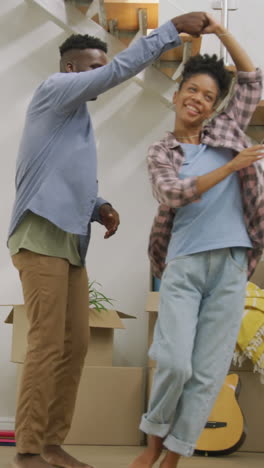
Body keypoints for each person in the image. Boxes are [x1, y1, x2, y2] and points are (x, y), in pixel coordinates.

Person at [7, 11, 211, 468]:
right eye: (94, 65)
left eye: (105, 63)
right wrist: (167, 29)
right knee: (46, 342)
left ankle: (51, 444)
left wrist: (99, 205)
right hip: (40, 237)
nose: (104, 72)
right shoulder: (53, 92)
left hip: (70, 241)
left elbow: (65, 174)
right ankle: (27, 450)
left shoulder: (74, 117)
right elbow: (121, 70)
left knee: (75, 343)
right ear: (71, 70)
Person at [130, 14, 264, 468]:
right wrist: (230, 167)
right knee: (174, 363)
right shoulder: (161, 152)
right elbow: (173, 194)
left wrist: (222, 31)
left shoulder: (226, 132)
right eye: (193, 90)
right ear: (177, 93)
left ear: (213, 107)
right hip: (184, 264)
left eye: (209, 96)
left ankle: (173, 455)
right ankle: (153, 439)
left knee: (208, 373)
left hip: (231, 264)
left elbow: (251, 78)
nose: (200, 100)